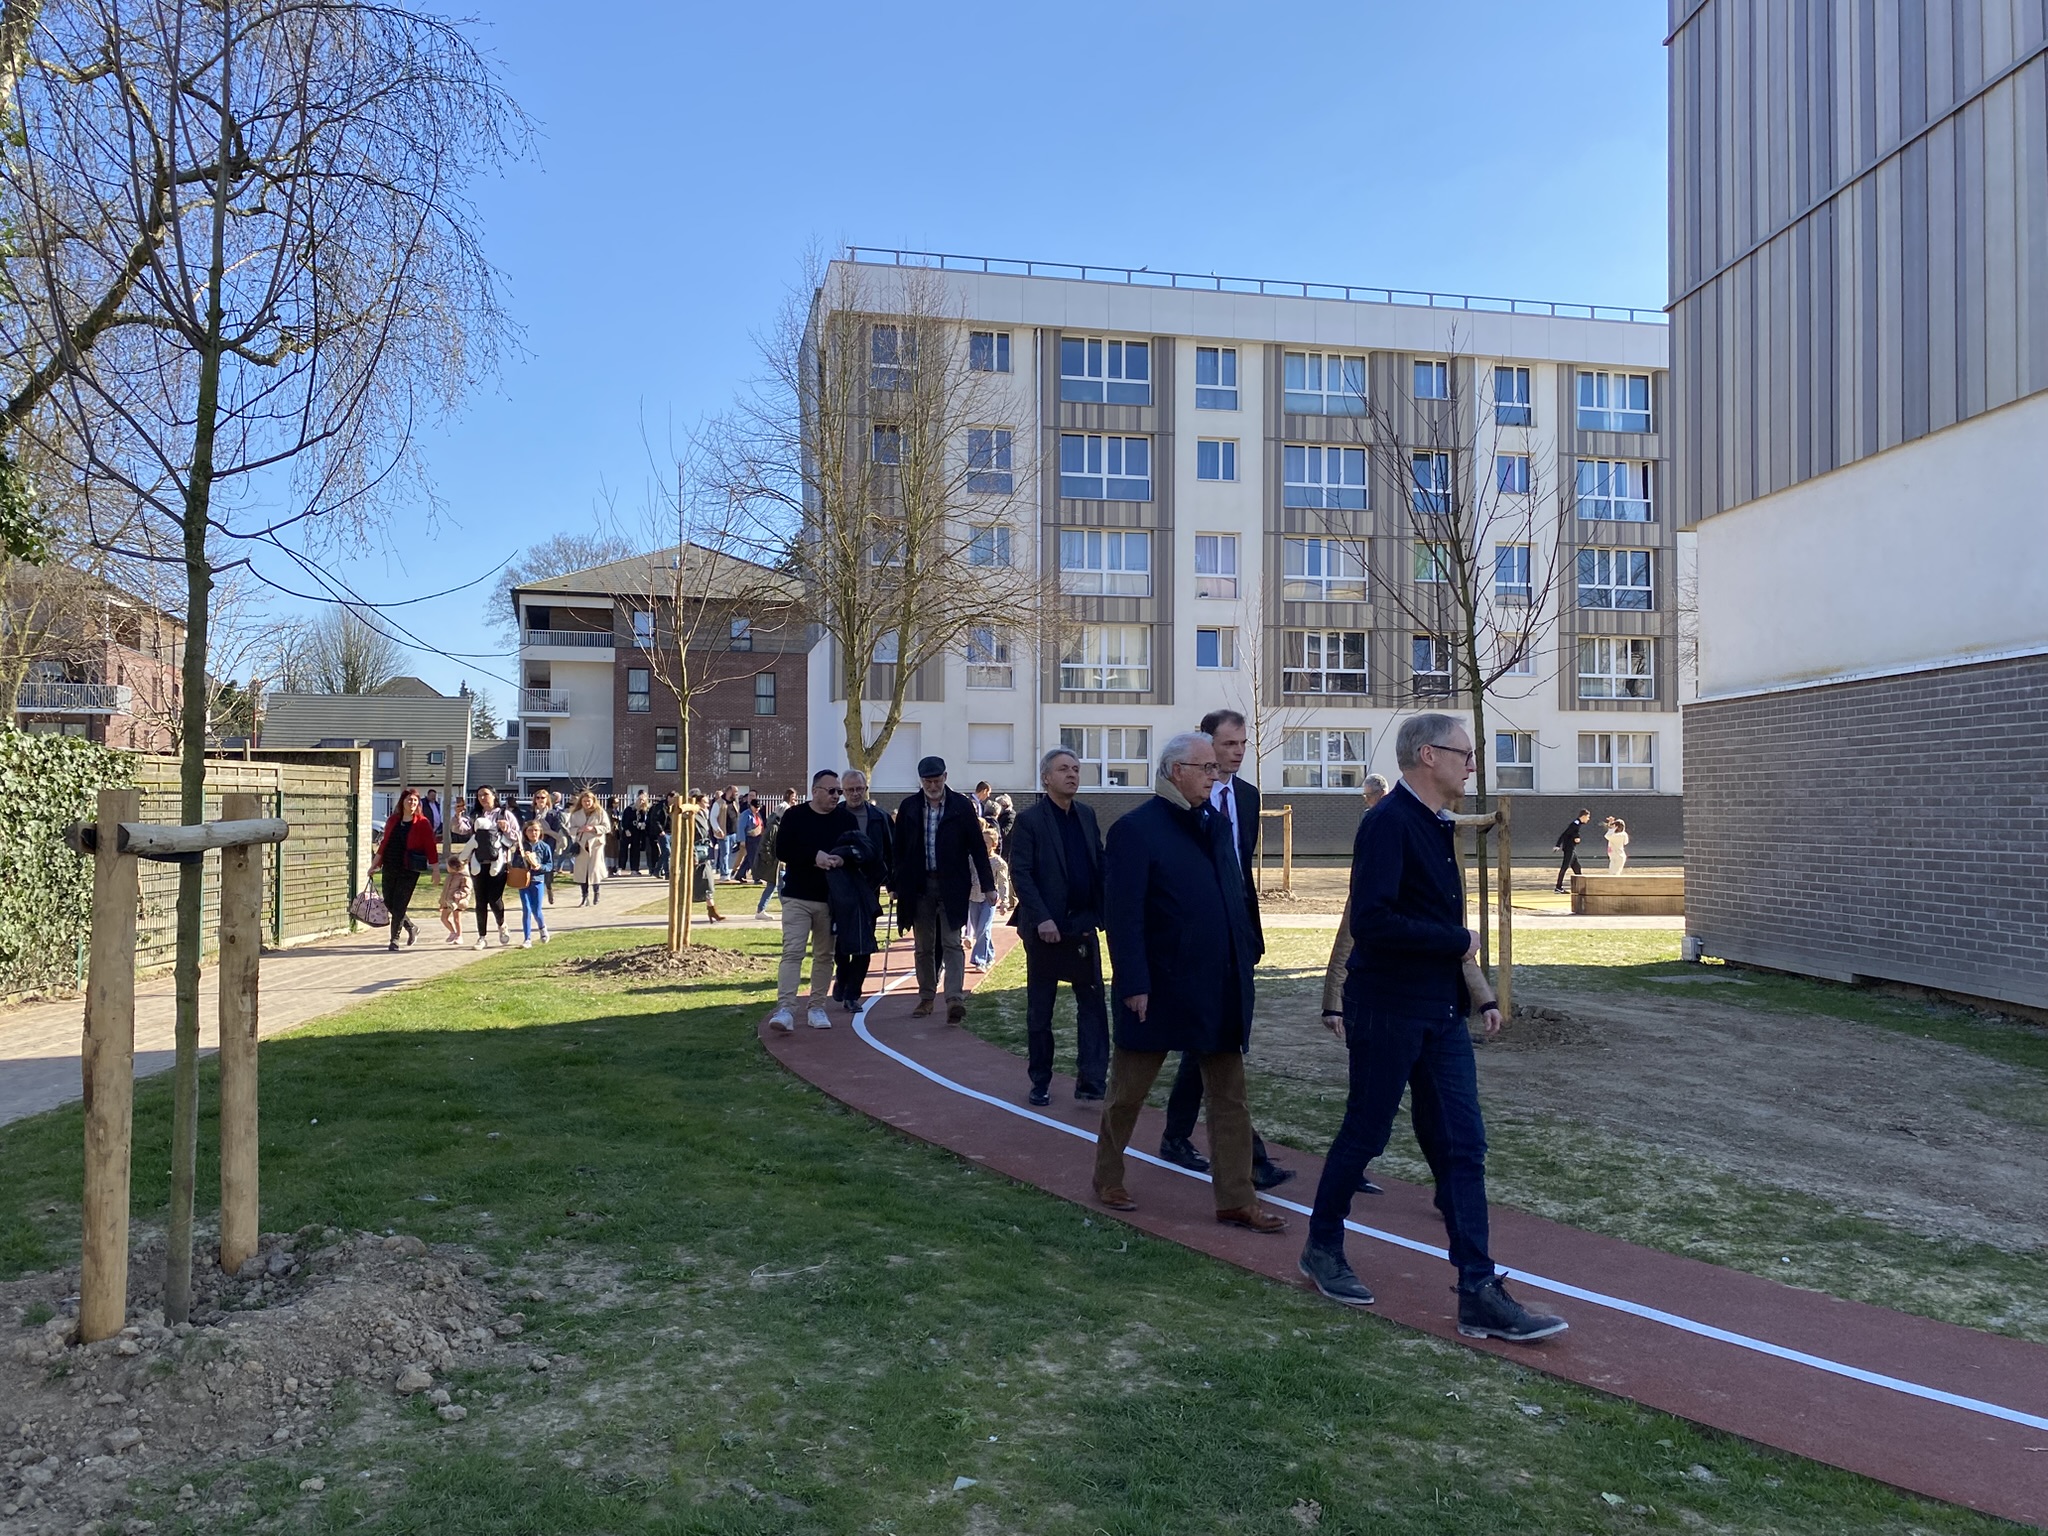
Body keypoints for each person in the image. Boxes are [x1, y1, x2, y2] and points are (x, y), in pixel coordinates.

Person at [1297, 712, 1567, 1343]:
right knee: (1366, 1132)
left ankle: (1478, 1289)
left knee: (1463, 1146)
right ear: (1427, 756)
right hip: (1387, 1008)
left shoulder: (1439, 824)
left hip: (1441, 1015)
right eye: (1463, 753)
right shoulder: (1388, 823)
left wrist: (1476, 991)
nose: (1472, 764)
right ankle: (1322, 1245)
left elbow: (1446, 932)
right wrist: (1455, 941)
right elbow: (1373, 921)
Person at [1093, 732, 1286, 1235]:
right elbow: (1123, 916)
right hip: (1158, 987)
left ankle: (1236, 1199)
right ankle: (1108, 1176)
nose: (1215, 776)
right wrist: (1134, 982)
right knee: (1128, 1092)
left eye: (1216, 769)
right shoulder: (1135, 830)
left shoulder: (1216, 825)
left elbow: (1236, 895)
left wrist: (1245, 953)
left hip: (1218, 985)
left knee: (1230, 1098)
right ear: (1176, 771)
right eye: (1206, 768)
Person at [1157, 709, 1294, 1191]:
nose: (1237, 752)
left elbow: (1240, 871)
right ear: (1205, 744)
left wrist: (1249, 932)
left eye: (1242, 744)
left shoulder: (1249, 797)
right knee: (1215, 1041)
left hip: (1238, 933)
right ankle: (1246, 1156)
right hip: (1197, 937)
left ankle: (1178, 1135)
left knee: (1217, 1039)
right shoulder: (1183, 800)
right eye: (1228, 744)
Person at [1006, 746, 1110, 1106]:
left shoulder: (1087, 815)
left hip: (1082, 924)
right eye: (1064, 769)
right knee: (1041, 1010)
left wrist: (1106, 911)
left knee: (1093, 1005)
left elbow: (1099, 864)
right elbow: (1021, 873)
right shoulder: (1030, 821)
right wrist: (1042, 918)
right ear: (1046, 778)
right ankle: (1040, 1080)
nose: (1072, 775)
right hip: (1045, 930)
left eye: (1076, 769)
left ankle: (1092, 1080)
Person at [891, 756, 994, 1023]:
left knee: (952, 942)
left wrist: (989, 886)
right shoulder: (910, 807)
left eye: (937, 780)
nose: (933, 786)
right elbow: (897, 850)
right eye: (928, 782)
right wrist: (894, 884)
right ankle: (926, 997)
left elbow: (978, 848)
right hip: (919, 885)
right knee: (923, 945)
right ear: (921, 781)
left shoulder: (961, 806)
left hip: (953, 885)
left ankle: (954, 999)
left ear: (945, 777)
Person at [767, 769, 856, 1031]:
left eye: (839, 792)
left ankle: (817, 1007)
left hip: (830, 899)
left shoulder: (846, 818)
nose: (836, 796)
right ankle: (785, 1009)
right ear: (815, 791)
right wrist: (813, 856)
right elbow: (782, 850)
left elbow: (855, 849)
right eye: (831, 791)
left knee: (825, 955)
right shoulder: (795, 815)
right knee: (793, 951)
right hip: (797, 896)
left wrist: (842, 859)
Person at [833, 770, 894, 1010]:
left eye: (859, 789)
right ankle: (842, 977)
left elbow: (891, 852)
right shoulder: (834, 815)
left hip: (869, 886)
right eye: (850, 790)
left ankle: (853, 994)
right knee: (840, 940)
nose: (855, 794)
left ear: (866, 789)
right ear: (843, 791)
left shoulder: (880, 817)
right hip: (841, 887)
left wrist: (891, 883)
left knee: (865, 940)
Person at [368, 787, 438, 952]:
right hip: (390, 865)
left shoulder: (422, 823)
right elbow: (384, 844)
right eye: (409, 799)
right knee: (389, 902)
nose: (412, 803)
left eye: (415, 800)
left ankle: (394, 940)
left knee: (400, 904)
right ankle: (411, 927)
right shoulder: (393, 820)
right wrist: (374, 864)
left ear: (418, 803)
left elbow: (431, 847)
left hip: (409, 868)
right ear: (403, 801)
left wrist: (435, 869)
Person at [460, 787, 521, 949]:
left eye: (486, 794)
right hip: (478, 863)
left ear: (494, 796)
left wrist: (506, 829)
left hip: (499, 862)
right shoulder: (475, 815)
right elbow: (461, 830)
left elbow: (517, 836)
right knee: (480, 900)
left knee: (494, 899)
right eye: (479, 795)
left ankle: (502, 925)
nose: (482, 798)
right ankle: (482, 937)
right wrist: (457, 816)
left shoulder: (504, 814)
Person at [966, 823, 1006, 971]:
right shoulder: (972, 858)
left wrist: (1004, 901)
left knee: (983, 928)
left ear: (994, 845)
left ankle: (979, 960)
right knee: (979, 930)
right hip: (973, 896)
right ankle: (990, 954)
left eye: (987, 842)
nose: (983, 845)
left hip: (989, 900)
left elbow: (1003, 882)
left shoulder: (998, 862)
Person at [755, 788, 800, 916]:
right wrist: (769, 859)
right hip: (775, 861)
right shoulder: (774, 827)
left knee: (778, 885)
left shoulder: (781, 826)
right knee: (776, 885)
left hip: (779, 861)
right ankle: (763, 909)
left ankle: (767, 909)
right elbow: (765, 845)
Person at [569, 789, 611, 905]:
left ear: (593, 801)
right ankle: (584, 896)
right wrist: (579, 830)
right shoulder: (576, 814)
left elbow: (607, 827)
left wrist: (593, 828)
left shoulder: (600, 812)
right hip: (582, 845)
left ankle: (596, 893)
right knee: (583, 872)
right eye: (584, 801)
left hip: (596, 845)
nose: (587, 803)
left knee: (595, 870)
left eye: (589, 801)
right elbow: (570, 829)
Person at [515, 821, 554, 947]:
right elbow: (515, 863)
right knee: (526, 908)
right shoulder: (521, 847)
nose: (533, 833)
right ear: (525, 833)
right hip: (523, 880)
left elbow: (549, 865)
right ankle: (527, 939)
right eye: (530, 830)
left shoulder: (544, 847)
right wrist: (523, 859)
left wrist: (539, 866)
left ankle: (542, 927)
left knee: (536, 910)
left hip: (537, 880)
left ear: (540, 832)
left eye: (536, 830)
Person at [533, 788, 570, 905]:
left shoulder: (553, 814)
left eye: (543, 798)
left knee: (547, 869)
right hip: (532, 844)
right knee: (533, 869)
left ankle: (549, 888)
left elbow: (556, 833)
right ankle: (536, 895)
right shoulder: (531, 813)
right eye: (538, 798)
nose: (540, 800)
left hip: (548, 844)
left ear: (547, 800)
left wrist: (546, 831)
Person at [1554, 808, 1593, 892]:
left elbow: (1573, 834)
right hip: (1569, 849)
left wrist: (1576, 838)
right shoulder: (1575, 824)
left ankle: (1582, 887)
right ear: (1584, 816)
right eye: (1588, 817)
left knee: (1577, 867)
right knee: (1564, 867)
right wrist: (1558, 845)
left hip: (1572, 849)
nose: (1588, 819)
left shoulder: (1578, 824)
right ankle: (1558, 887)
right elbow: (1565, 834)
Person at [436, 855, 471, 944]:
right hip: (448, 902)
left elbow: (466, 889)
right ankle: (452, 932)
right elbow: (445, 891)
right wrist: (442, 902)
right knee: (444, 918)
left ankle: (459, 936)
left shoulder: (464, 877)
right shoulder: (449, 877)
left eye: (448, 865)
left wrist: (459, 895)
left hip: (457, 902)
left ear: (453, 867)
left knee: (456, 919)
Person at [733, 793, 764, 883]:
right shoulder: (745, 814)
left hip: (757, 838)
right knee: (753, 858)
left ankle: (740, 875)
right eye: (755, 807)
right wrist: (742, 840)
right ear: (751, 806)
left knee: (748, 858)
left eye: (758, 807)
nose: (757, 809)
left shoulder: (757, 814)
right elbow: (741, 828)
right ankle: (756, 878)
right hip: (749, 839)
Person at [619, 791, 647, 875]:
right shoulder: (629, 809)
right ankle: (620, 868)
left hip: (637, 832)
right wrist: (626, 829)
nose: (641, 802)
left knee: (635, 850)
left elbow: (643, 821)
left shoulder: (642, 811)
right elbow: (624, 820)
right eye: (640, 800)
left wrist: (642, 825)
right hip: (628, 831)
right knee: (623, 850)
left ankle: (634, 869)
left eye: (643, 800)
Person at [646, 790, 671, 880]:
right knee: (667, 851)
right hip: (663, 833)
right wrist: (660, 830)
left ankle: (657, 870)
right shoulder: (660, 806)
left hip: (671, 832)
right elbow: (655, 819)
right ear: (669, 797)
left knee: (665, 853)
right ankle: (667, 873)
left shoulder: (674, 806)